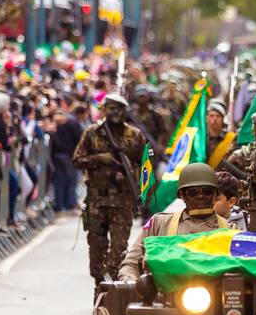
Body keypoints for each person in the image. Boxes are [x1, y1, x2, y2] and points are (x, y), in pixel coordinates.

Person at [73, 94, 146, 290]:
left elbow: (146, 167)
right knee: (96, 251)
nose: (115, 112)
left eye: (120, 108)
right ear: (104, 109)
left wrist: (132, 176)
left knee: (119, 252)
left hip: (122, 203)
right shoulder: (91, 133)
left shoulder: (135, 135)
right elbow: (77, 160)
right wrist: (98, 159)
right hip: (97, 201)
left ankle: (115, 291)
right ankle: (100, 286)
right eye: (111, 108)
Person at [119, 163, 227, 281]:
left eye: (207, 191)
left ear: (215, 194)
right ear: (182, 195)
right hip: (165, 295)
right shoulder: (158, 224)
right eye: (192, 192)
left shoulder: (230, 229)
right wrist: (130, 281)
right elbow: (130, 264)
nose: (200, 196)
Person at [50, 109, 83, 213]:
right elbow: (80, 139)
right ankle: (70, 204)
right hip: (69, 156)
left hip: (57, 156)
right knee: (71, 181)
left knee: (60, 181)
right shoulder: (72, 123)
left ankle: (60, 205)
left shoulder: (54, 125)